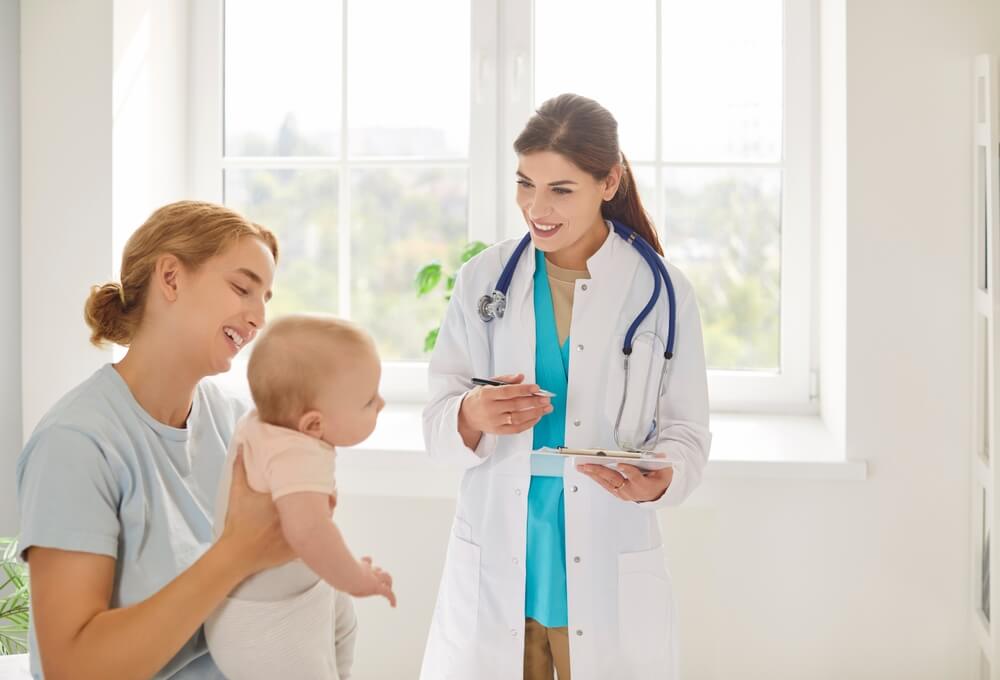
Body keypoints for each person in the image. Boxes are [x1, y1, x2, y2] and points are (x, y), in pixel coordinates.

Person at [420, 94, 712, 680]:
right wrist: (472, 414)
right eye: (525, 184)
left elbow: (686, 430)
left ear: (609, 182)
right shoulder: (484, 280)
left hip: (606, 549)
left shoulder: (661, 290)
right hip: (502, 556)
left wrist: (662, 479)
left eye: (560, 189)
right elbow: (438, 419)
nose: (537, 208)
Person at [15, 201, 351, 678]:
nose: (258, 318)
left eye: (265, 299)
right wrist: (237, 553)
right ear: (171, 278)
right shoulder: (76, 445)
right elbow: (73, 667)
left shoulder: (236, 423)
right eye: (242, 288)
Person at [206, 314, 395, 680]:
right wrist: (356, 578)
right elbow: (308, 532)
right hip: (265, 624)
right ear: (313, 424)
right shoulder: (293, 454)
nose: (382, 404)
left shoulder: (267, 424)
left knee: (343, 628)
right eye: (369, 401)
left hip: (283, 595)